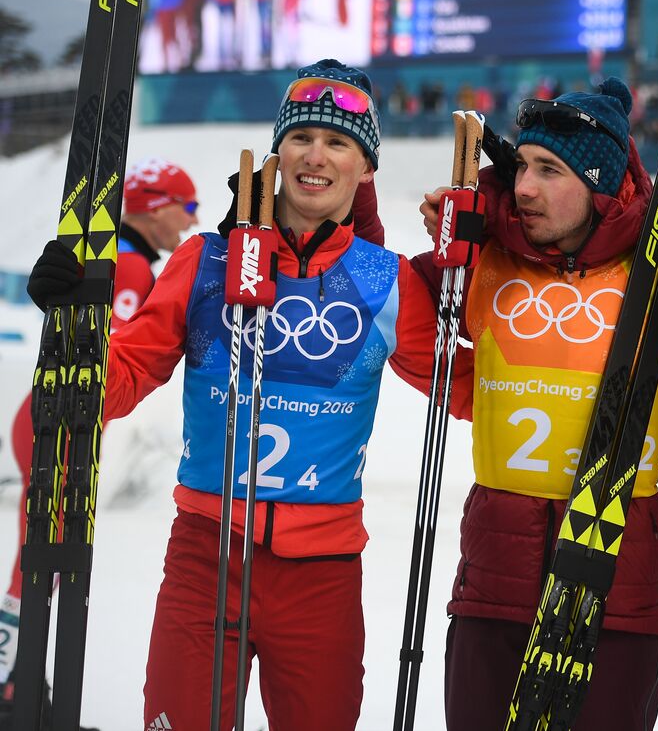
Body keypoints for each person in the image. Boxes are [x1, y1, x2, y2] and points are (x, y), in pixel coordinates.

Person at [24, 59, 466, 729]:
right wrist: (73, 321)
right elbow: (117, 383)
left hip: (322, 575)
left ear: (366, 166)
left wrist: (491, 275)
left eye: (340, 141)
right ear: (277, 153)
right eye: (302, 137)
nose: (317, 155)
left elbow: (468, 391)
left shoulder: (386, 280)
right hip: (207, 553)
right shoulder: (203, 262)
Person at [415, 78, 658, 731]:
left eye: (549, 170)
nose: (523, 186)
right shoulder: (485, 258)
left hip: (616, 589)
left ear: (600, 185)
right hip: (494, 583)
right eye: (521, 165)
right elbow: (409, 330)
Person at [0, 159, 199, 725]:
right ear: (156, 208)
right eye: (186, 209)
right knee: (42, 559)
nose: (191, 221)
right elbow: (108, 352)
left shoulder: (124, 260)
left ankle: (18, 679)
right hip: (62, 421)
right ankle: (14, 686)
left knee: (40, 555)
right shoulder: (133, 269)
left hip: (51, 416)